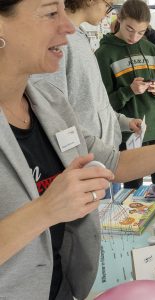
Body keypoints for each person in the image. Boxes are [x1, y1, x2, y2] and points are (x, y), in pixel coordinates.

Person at [0, 1, 155, 299]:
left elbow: (112, 162)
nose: (67, 27)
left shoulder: (49, 104)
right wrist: (45, 211)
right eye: (51, 13)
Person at [31, 0, 142, 197]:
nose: (108, 13)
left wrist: (123, 122)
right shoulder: (61, 41)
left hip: (106, 158)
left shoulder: (80, 37)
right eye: (108, 5)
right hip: (87, 165)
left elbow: (94, 101)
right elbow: (53, 117)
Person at [95, 0, 155, 189]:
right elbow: (103, 105)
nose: (134, 36)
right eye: (129, 29)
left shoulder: (152, 49)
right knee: (131, 195)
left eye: (141, 32)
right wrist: (129, 91)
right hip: (129, 133)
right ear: (119, 18)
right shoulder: (104, 54)